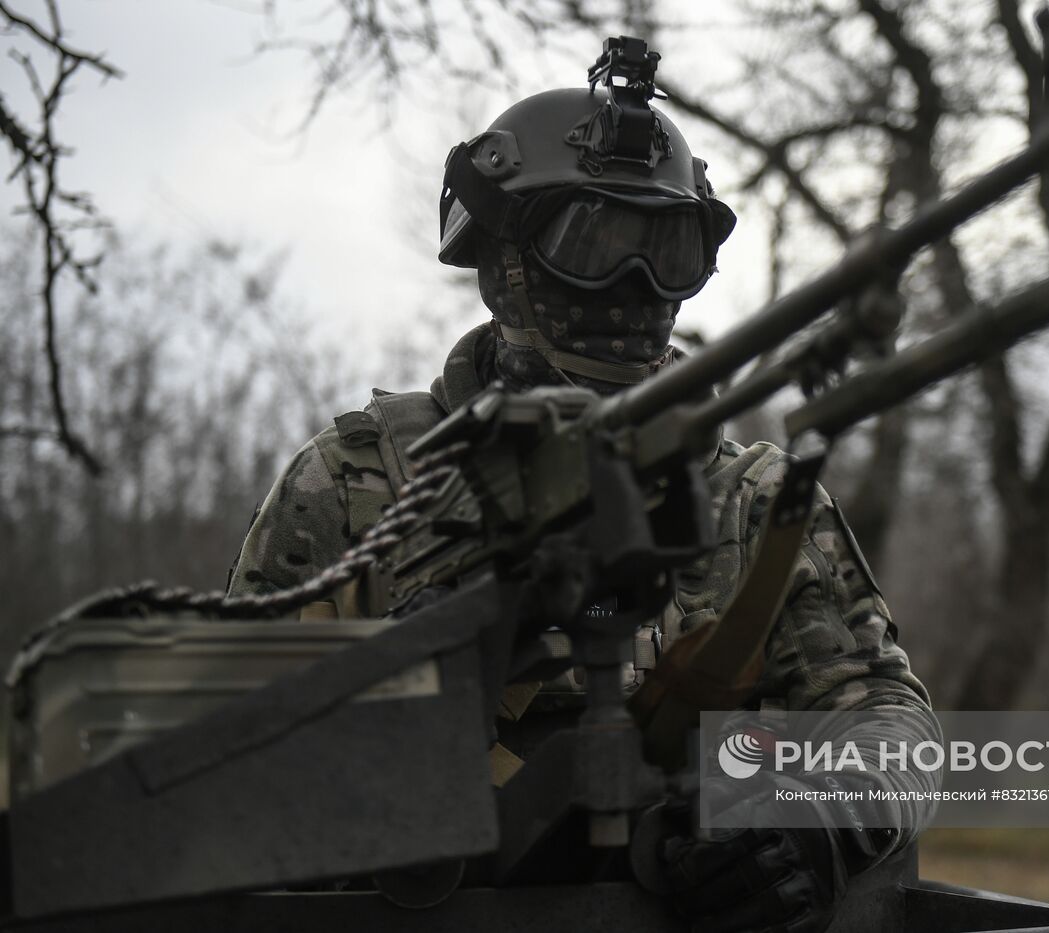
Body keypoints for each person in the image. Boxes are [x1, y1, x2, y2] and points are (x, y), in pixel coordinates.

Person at [227, 36, 934, 933]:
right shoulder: (358, 482)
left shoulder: (756, 502)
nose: (638, 286)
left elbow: (888, 725)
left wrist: (813, 823)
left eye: (669, 249)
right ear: (502, 266)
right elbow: (219, 753)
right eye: (594, 241)